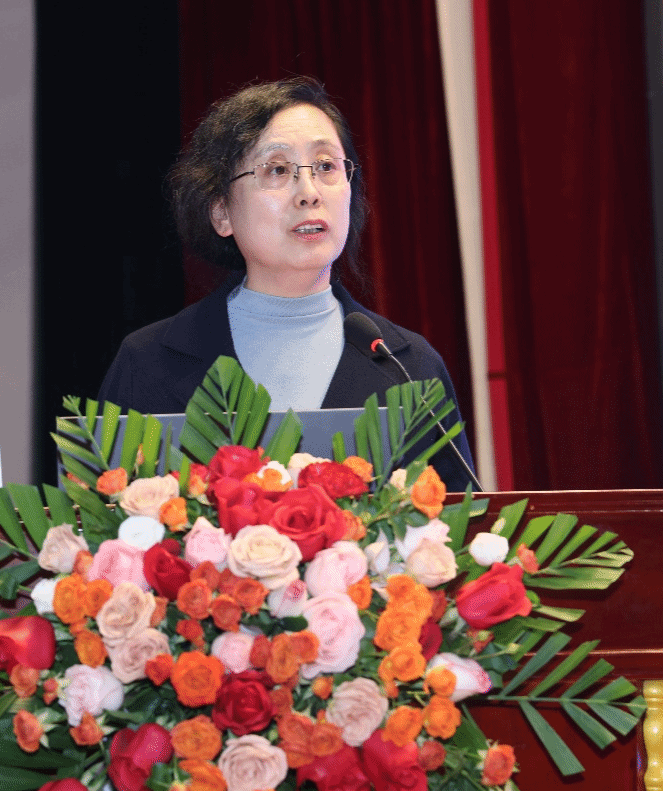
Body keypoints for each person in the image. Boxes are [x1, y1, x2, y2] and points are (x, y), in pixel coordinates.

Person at [98, 77, 476, 490]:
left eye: (326, 166)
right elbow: (102, 518)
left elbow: (461, 521)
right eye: (277, 170)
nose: (309, 193)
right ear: (221, 212)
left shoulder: (408, 366)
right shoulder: (149, 363)